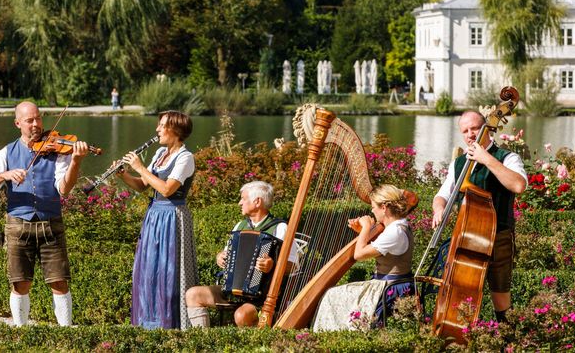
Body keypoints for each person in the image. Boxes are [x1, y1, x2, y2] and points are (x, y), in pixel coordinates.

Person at [0, 101, 89, 326]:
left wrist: (75, 161)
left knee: (60, 281)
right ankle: (21, 332)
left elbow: (65, 189)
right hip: (18, 224)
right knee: (20, 283)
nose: (36, 124)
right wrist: (5, 175)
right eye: (30, 120)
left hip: (51, 222)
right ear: (18, 123)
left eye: (38, 118)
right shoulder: (6, 153)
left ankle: (66, 332)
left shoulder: (57, 151)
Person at [431, 110, 527, 322]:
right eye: (465, 131)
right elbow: (442, 195)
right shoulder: (458, 163)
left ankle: (506, 338)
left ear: (487, 128)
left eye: (474, 128)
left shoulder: (507, 157)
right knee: (461, 293)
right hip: (465, 239)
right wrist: (439, 209)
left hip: (498, 237)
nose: (470, 134)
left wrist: (487, 159)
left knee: (500, 296)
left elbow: (519, 185)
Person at [117, 110, 197, 329]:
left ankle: (170, 323)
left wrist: (140, 167)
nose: (157, 129)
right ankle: (147, 322)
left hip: (172, 217)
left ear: (175, 130)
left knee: (169, 271)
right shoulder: (161, 153)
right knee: (148, 269)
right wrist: (124, 175)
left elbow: (167, 189)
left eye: (162, 125)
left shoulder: (185, 157)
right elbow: (143, 185)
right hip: (154, 216)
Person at [185, 181, 298, 328]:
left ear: (257, 201)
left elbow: (294, 266)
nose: (239, 203)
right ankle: (203, 342)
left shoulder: (280, 228)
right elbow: (228, 253)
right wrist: (220, 257)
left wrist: (273, 265)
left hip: (264, 297)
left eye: (243, 199)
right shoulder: (240, 226)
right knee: (193, 294)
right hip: (234, 292)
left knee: (241, 316)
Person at [312, 184, 415, 331]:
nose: (372, 211)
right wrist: (362, 232)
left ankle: (329, 338)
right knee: (335, 295)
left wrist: (366, 228)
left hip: (389, 288)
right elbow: (372, 246)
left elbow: (358, 255)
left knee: (330, 295)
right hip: (387, 284)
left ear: (384, 207)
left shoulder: (395, 232)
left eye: (374, 207)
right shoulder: (397, 226)